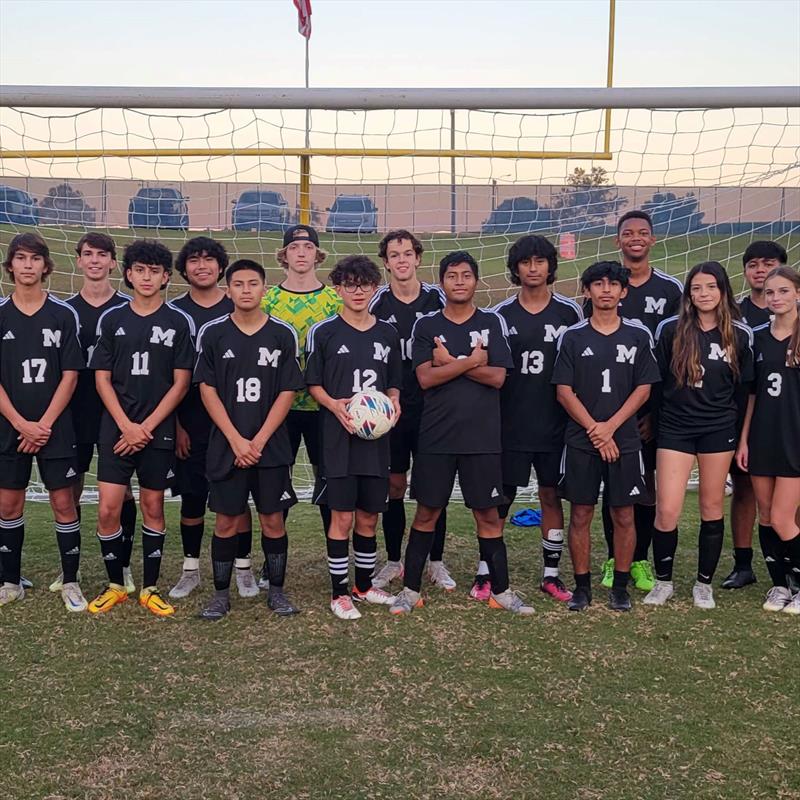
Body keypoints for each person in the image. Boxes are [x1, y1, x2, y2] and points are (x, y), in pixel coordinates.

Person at [390, 250, 531, 616]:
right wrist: (471, 361)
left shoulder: (492, 322)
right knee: (426, 513)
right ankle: (410, 591)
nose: (459, 282)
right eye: (452, 276)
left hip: (482, 438)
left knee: (488, 516)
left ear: (476, 281)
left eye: (466, 275)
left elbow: (497, 377)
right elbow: (425, 377)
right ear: (442, 282)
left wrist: (450, 363)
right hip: (436, 437)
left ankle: (502, 592)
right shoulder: (427, 325)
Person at [87, 240, 194, 617]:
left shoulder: (178, 321)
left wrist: (145, 427)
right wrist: (125, 425)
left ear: (166, 277)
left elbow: (181, 384)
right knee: (107, 509)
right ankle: (116, 585)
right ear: (128, 274)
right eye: (140, 270)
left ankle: (150, 588)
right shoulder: (112, 319)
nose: (147, 277)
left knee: (153, 505)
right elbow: (101, 379)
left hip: (157, 430)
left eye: (155, 271)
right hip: (116, 428)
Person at [195, 259, 303, 620]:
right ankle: (220, 596)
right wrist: (236, 440)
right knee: (226, 521)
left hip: (270, 446)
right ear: (228, 290)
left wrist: (258, 440)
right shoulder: (213, 333)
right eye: (238, 284)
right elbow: (207, 389)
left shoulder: (282, 333)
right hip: (227, 445)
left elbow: (287, 391)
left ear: (264, 289)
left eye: (253, 283)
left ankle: (277, 592)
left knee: (273, 520)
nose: (245, 290)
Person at [646, 261, 754, 610]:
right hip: (675, 428)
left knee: (711, 506)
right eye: (696, 288)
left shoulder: (740, 333)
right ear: (688, 294)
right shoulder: (670, 329)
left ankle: (703, 585)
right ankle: (663, 582)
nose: (703, 293)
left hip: (718, 429)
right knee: (667, 510)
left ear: (723, 290)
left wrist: (740, 434)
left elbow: (743, 390)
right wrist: (653, 422)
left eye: (710, 287)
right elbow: (658, 383)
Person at [553, 260, 660, 612]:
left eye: (613, 284)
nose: (606, 290)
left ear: (623, 291)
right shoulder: (573, 336)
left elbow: (644, 389)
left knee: (624, 514)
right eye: (598, 284)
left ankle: (620, 587)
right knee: (581, 513)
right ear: (587, 291)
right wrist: (596, 431)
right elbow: (564, 392)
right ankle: (582, 587)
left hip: (624, 440)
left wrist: (610, 427)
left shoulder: (638, 335)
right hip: (582, 440)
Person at [588, 210, 683, 593]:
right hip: (608, 411)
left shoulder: (670, 290)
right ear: (618, 240)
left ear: (653, 239)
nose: (636, 238)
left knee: (644, 489)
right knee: (613, 488)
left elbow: (677, 355)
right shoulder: (604, 286)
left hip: (651, 409)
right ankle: (615, 559)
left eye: (643, 232)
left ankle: (640, 559)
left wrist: (656, 415)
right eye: (628, 233)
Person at [305, 255, 402, 620]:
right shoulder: (324, 332)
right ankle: (339, 593)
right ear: (338, 289)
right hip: (339, 437)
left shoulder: (387, 333)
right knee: (342, 517)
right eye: (350, 285)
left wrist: (393, 402)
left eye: (364, 285)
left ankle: (363, 586)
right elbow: (313, 383)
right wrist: (334, 405)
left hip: (376, 440)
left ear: (375, 288)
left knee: (368, 517)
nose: (358, 291)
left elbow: (394, 382)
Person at [492, 234, 582, 603]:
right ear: (516, 268)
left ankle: (551, 574)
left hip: (555, 425)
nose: (533, 268)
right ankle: (487, 572)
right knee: (501, 499)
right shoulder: (500, 315)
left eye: (540, 261)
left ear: (550, 267)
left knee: (550, 496)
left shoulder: (569, 313)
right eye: (525, 262)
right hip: (509, 424)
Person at [168, 237, 257, 600]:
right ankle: (190, 570)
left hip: (238, 422)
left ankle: (244, 568)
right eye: (194, 260)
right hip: (191, 423)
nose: (201, 266)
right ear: (184, 268)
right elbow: (169, 377)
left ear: (221, 267)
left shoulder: (239, 305)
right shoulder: (174, 312)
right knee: (192, 498)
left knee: (237, 498)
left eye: (209, 259)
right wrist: (176, 425)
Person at [0, 233, 85, 611]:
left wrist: (43, 425)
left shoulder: (63, 314)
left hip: (55, 427)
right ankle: (10, 581)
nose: (28, 265)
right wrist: (21, 423)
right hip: (9, 425)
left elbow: (70, 375)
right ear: (10, 266)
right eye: (21, 258)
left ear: (46, 266)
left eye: (35, 258)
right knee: (8, 504)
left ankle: (70, 580)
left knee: (64, 502)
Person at [51, 233, 137, 596]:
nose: (95, 260)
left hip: (117, 412)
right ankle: (68, 567)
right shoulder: (64, 311)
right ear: (79, 261)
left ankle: (124, 565)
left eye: (103, 254)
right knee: (70, 489)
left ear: (114, 263)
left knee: (121, 490)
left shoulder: (129, 308)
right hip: (76, 412)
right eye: (88, 254)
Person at [368, 229, 454, 592]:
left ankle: (436, 561)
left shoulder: (438, 298)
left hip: (434, 406)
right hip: (391, 407)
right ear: (386, 263)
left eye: (407, 253)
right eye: (394, 255)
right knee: (394, 484)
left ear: (418, 258)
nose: (401, 260)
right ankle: (393, 560)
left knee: (433, 484)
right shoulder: (376, 302)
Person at [261, 224, 340, 585]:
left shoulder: (335, 300)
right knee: (276, 484)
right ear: (285, 255)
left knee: (331, 484)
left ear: (317, 255)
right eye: (295, 247)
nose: (302, 253)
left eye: (308, 247)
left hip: (326, 407)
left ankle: (335, 560)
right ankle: (271, 564)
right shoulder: (268, 300)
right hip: (282, 408)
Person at [722, 240, 788, 590]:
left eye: (768, 263)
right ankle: (743, 563)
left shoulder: (790, 314)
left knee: (789, 495)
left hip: (786, 418)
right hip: (744, 415)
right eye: (753, 265)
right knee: (745, 488)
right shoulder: (734, 312)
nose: (760, 270)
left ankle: (789, 564)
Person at [735, 266, 800, 613]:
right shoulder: (757, 337)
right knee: (765, 516)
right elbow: (752, 395)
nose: (776, 298)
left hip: (794, 438)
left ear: (798, 294)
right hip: (762, 436)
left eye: (784, 291)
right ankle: (780, 586)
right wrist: (744, 440)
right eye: (771, 292)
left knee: (783, 518)